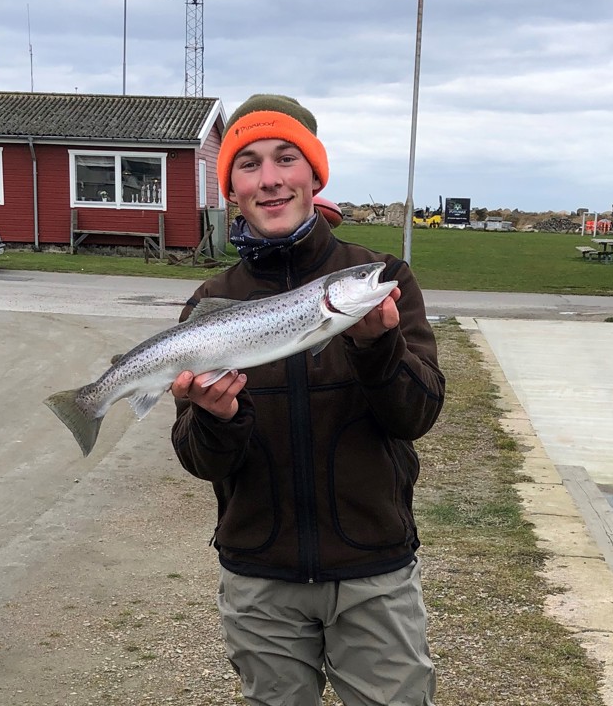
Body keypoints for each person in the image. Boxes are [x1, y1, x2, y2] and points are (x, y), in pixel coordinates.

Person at [169, 94, 446, 706]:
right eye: (249, 164)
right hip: (259, 577)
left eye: (286, 158)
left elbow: (417, 416)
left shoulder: (380, 277)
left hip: (373, 567)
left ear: (314, 174)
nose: (270, 180)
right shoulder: (213, 302)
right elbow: (198, 460)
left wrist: (378, 349)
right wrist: (217, 418)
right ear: (231, 189)